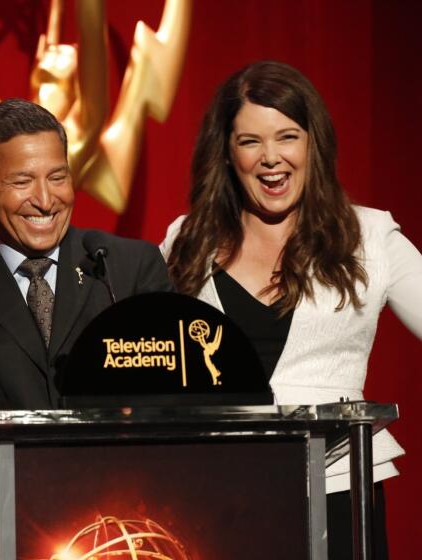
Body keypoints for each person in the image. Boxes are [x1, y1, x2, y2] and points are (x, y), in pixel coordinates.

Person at [160, 60, 422, 558]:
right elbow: (129, 348)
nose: (271, 157)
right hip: (211, 496)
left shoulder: (371, 237)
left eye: (287, 136)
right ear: (227, 152)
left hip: (340, 487)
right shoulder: (185, 240)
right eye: (250, 141)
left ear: (312, 144)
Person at [0, 99, 173, 410]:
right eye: (23, 181)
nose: (45, 199)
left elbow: (171, 396)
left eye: (57, 178)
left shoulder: (129, 269)